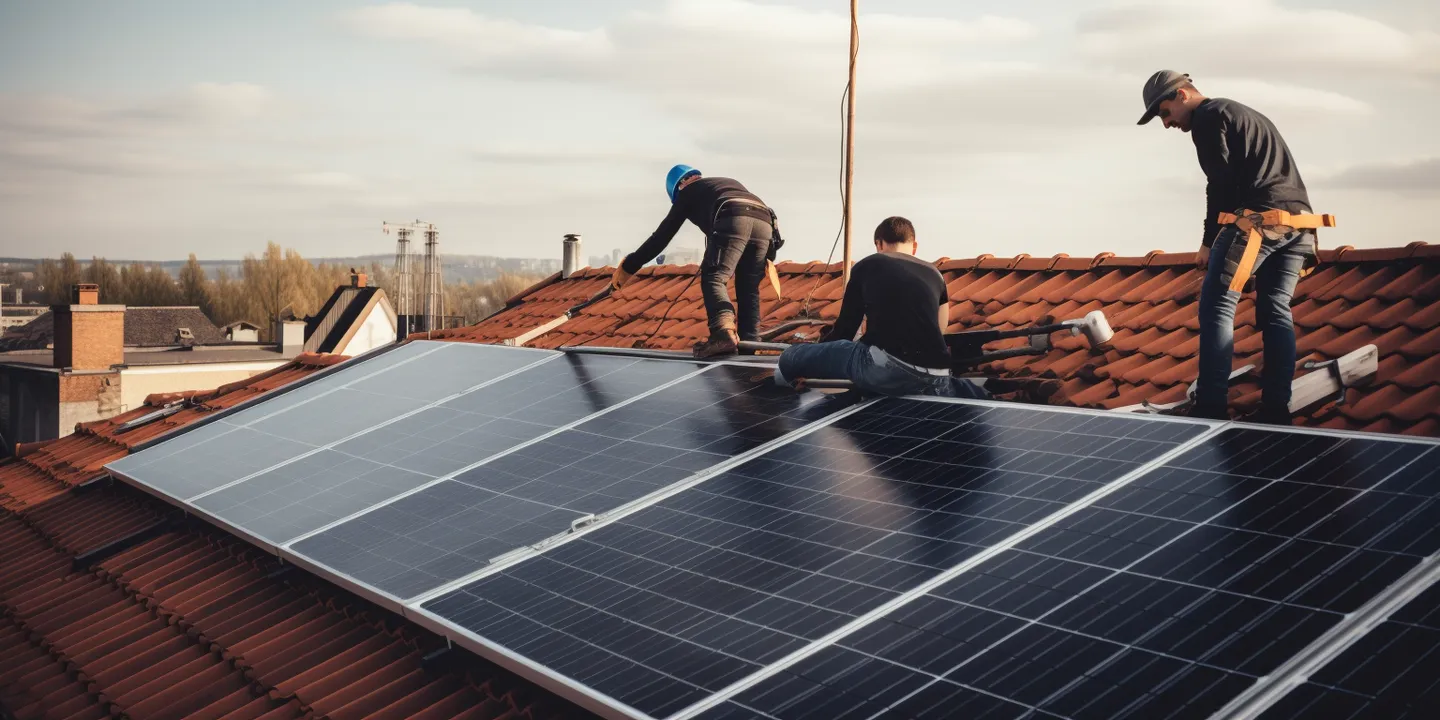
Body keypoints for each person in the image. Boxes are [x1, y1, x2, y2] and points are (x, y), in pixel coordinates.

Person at [1138, 70, 1320, 424]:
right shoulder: (1244, 113)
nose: (1166, 124)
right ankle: (1275, 410)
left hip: (1260, 221)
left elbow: (1218, 185)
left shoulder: (1208, 116)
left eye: (1164, 113)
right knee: (1276, 311)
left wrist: (1208, 242)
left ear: (1181, 95)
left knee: (1217, 307)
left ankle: (1210, 408)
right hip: (1301, 226)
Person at [774, 216, 989, 399]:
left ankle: (782, 382)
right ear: (914, 246)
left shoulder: (868, 265)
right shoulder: (935, 274)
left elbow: (846, 331)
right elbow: (940, 330)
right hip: (938, 375)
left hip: (886, 371)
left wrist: (816, 362)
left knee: (791, 357)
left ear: (878, 244)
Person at [610, 165, 780, 358]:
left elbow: (661, 237)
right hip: (765, 223)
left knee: (714, 278)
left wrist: (629, 266)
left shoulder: (688, 192)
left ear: (680, 185)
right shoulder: (724, 183)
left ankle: (723, 333)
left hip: (733, 215)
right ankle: (751, 342)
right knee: (748, 287)